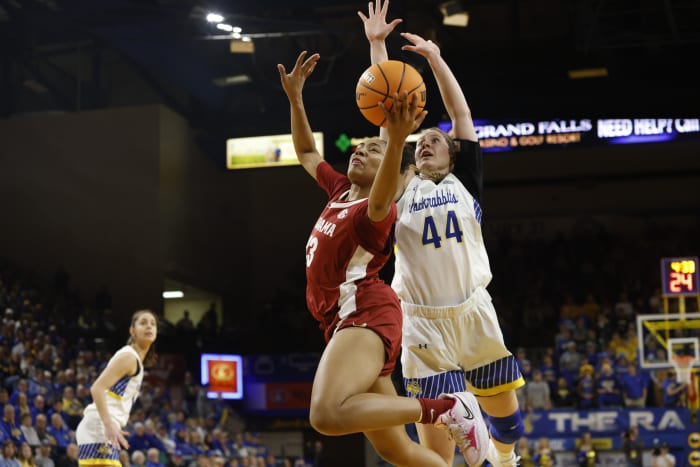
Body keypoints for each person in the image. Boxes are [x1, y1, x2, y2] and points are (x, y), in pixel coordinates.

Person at [277, 47, 486, 467]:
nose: (360, 151)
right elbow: (306, 152)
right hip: (342, 319)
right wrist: (296, 99)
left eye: (372, 150)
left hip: (365, 314)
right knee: (396, 450)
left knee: (326, 415)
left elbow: (385, 187)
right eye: (359, 148)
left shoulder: (374, 212)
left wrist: (393, 140)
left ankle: (447, 408)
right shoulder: (340, 191)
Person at [359, 1, 524, 465]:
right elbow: (388, 115)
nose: (426, 143)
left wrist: (435, 57)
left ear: (453, 154)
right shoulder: (402, 185)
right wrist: (377, 47)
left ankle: (506, 460)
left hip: (473, 310)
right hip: (420, 321)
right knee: (438, 450)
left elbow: (460, 112)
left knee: (509, 425)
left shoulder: (463, 181)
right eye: (421, 142)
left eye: (436, 140)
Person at [75, 310, 158, 467]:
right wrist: (108, 425)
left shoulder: (134, 359)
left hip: (101, 425)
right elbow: (97, 388)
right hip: (99, 425)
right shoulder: (129, 357)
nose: (149, 326)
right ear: (132, 331)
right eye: (143, 323)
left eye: (153, 324)